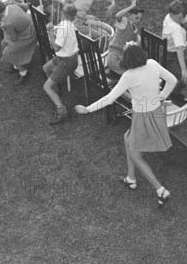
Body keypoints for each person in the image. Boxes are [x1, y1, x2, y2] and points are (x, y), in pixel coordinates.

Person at [75, 43, 177, 208]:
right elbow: (172, 80)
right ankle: (131, 179)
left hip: (143, 118)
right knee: (127, 137)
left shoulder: (129, 76)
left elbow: (109, 98)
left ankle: (160, 190)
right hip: (155, 113)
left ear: (127, 59)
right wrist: (162, 96)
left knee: (136, 156)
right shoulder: (152, 63)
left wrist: (87, 109)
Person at [43, 4, 79, 125]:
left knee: (46, 87)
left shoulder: (64, 28)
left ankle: (62, 112)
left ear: (63, 15)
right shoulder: (69, 24)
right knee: (46, 68)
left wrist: (49, 32)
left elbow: (56, 48)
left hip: (67, 62)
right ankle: (56, 87)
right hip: (66, 57)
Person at [0, 0, 36, 86]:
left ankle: (23, 72)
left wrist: (3, 29)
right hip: (31, 25)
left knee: (8, 52)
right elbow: (25, 8)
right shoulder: (11, 6)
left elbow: (14, 38)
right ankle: (15, 65)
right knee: (4, 43)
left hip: (28, 35)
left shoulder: (7, 23)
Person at [161, 0, 187, 106]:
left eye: (183, 17)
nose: (182, 20)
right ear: (172, 14)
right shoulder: (176, 29)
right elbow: (179, 49)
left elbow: (182, 17)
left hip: (167, 54)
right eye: (180, 18)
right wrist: (183, 70)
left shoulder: (168, 17)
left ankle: (174, 92)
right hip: (171, 59)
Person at [107, 0, 144, 78]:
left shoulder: (133, 27)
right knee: (136, 73)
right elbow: (117, 16)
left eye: (140, 18)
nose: (138, 20)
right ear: (130, 15)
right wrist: (132, 6)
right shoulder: (124, 23)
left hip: (123, 58)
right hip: (115, 59)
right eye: (136, 18)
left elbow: (136, 40)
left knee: (140, 68)